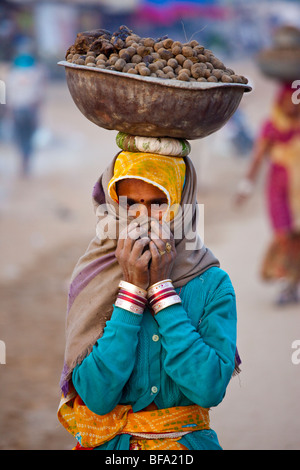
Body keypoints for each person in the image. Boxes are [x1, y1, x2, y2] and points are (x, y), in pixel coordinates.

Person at [58, 144, 239, 450]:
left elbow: (209, 388)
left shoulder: (212, 284)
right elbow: (97, 396)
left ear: (182, 205)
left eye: (158, 204)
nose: (142, 219)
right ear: (112, 204)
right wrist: (131, 290)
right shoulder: (93, 279)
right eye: (129, 203)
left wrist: (162, 290)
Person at [236, 83, 300, 305]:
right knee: (283, 235)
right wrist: (246, 187)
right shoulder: (271, 126)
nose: (292, 108)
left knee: (296, 239)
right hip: (277, 192)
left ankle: (293, 283)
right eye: (288, 102)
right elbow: (257, 158)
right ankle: (285, 282)